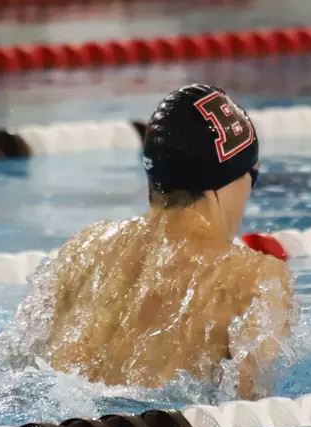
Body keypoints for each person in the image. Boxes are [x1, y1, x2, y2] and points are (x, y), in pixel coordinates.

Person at [38, 84, 296, 399]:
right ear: (231, 177)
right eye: (251, 178)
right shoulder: (255, 279)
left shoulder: (84, 248)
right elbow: (253, 406)